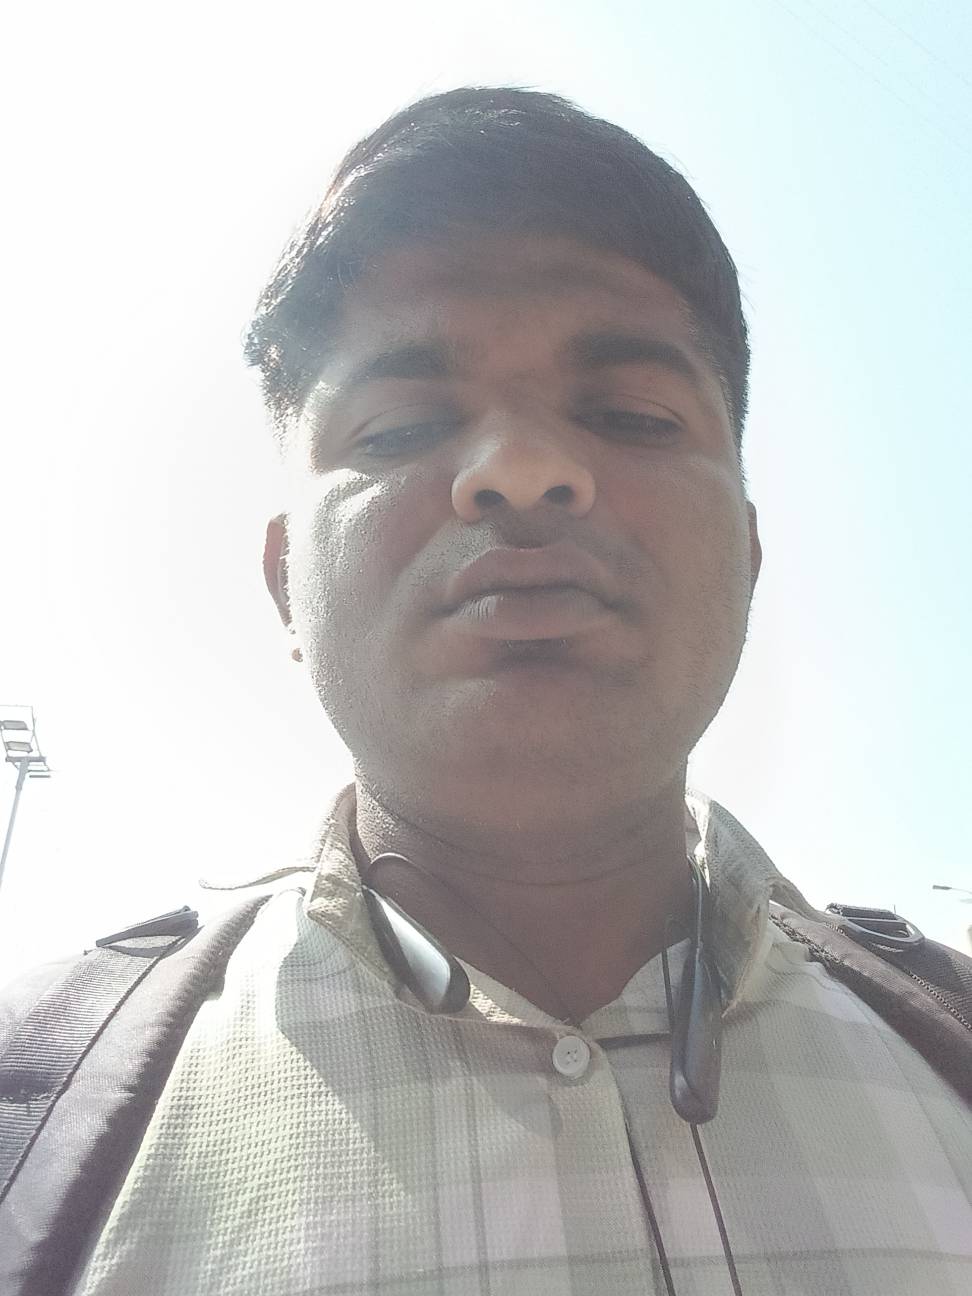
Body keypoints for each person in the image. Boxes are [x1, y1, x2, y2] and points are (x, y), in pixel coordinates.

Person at [51, 88, 972, 1292]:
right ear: (285, 582)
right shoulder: (49, 1118)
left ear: (748, 556)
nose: (525, 469)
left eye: (630, 415)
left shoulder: (947, 1043)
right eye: (399, 429)